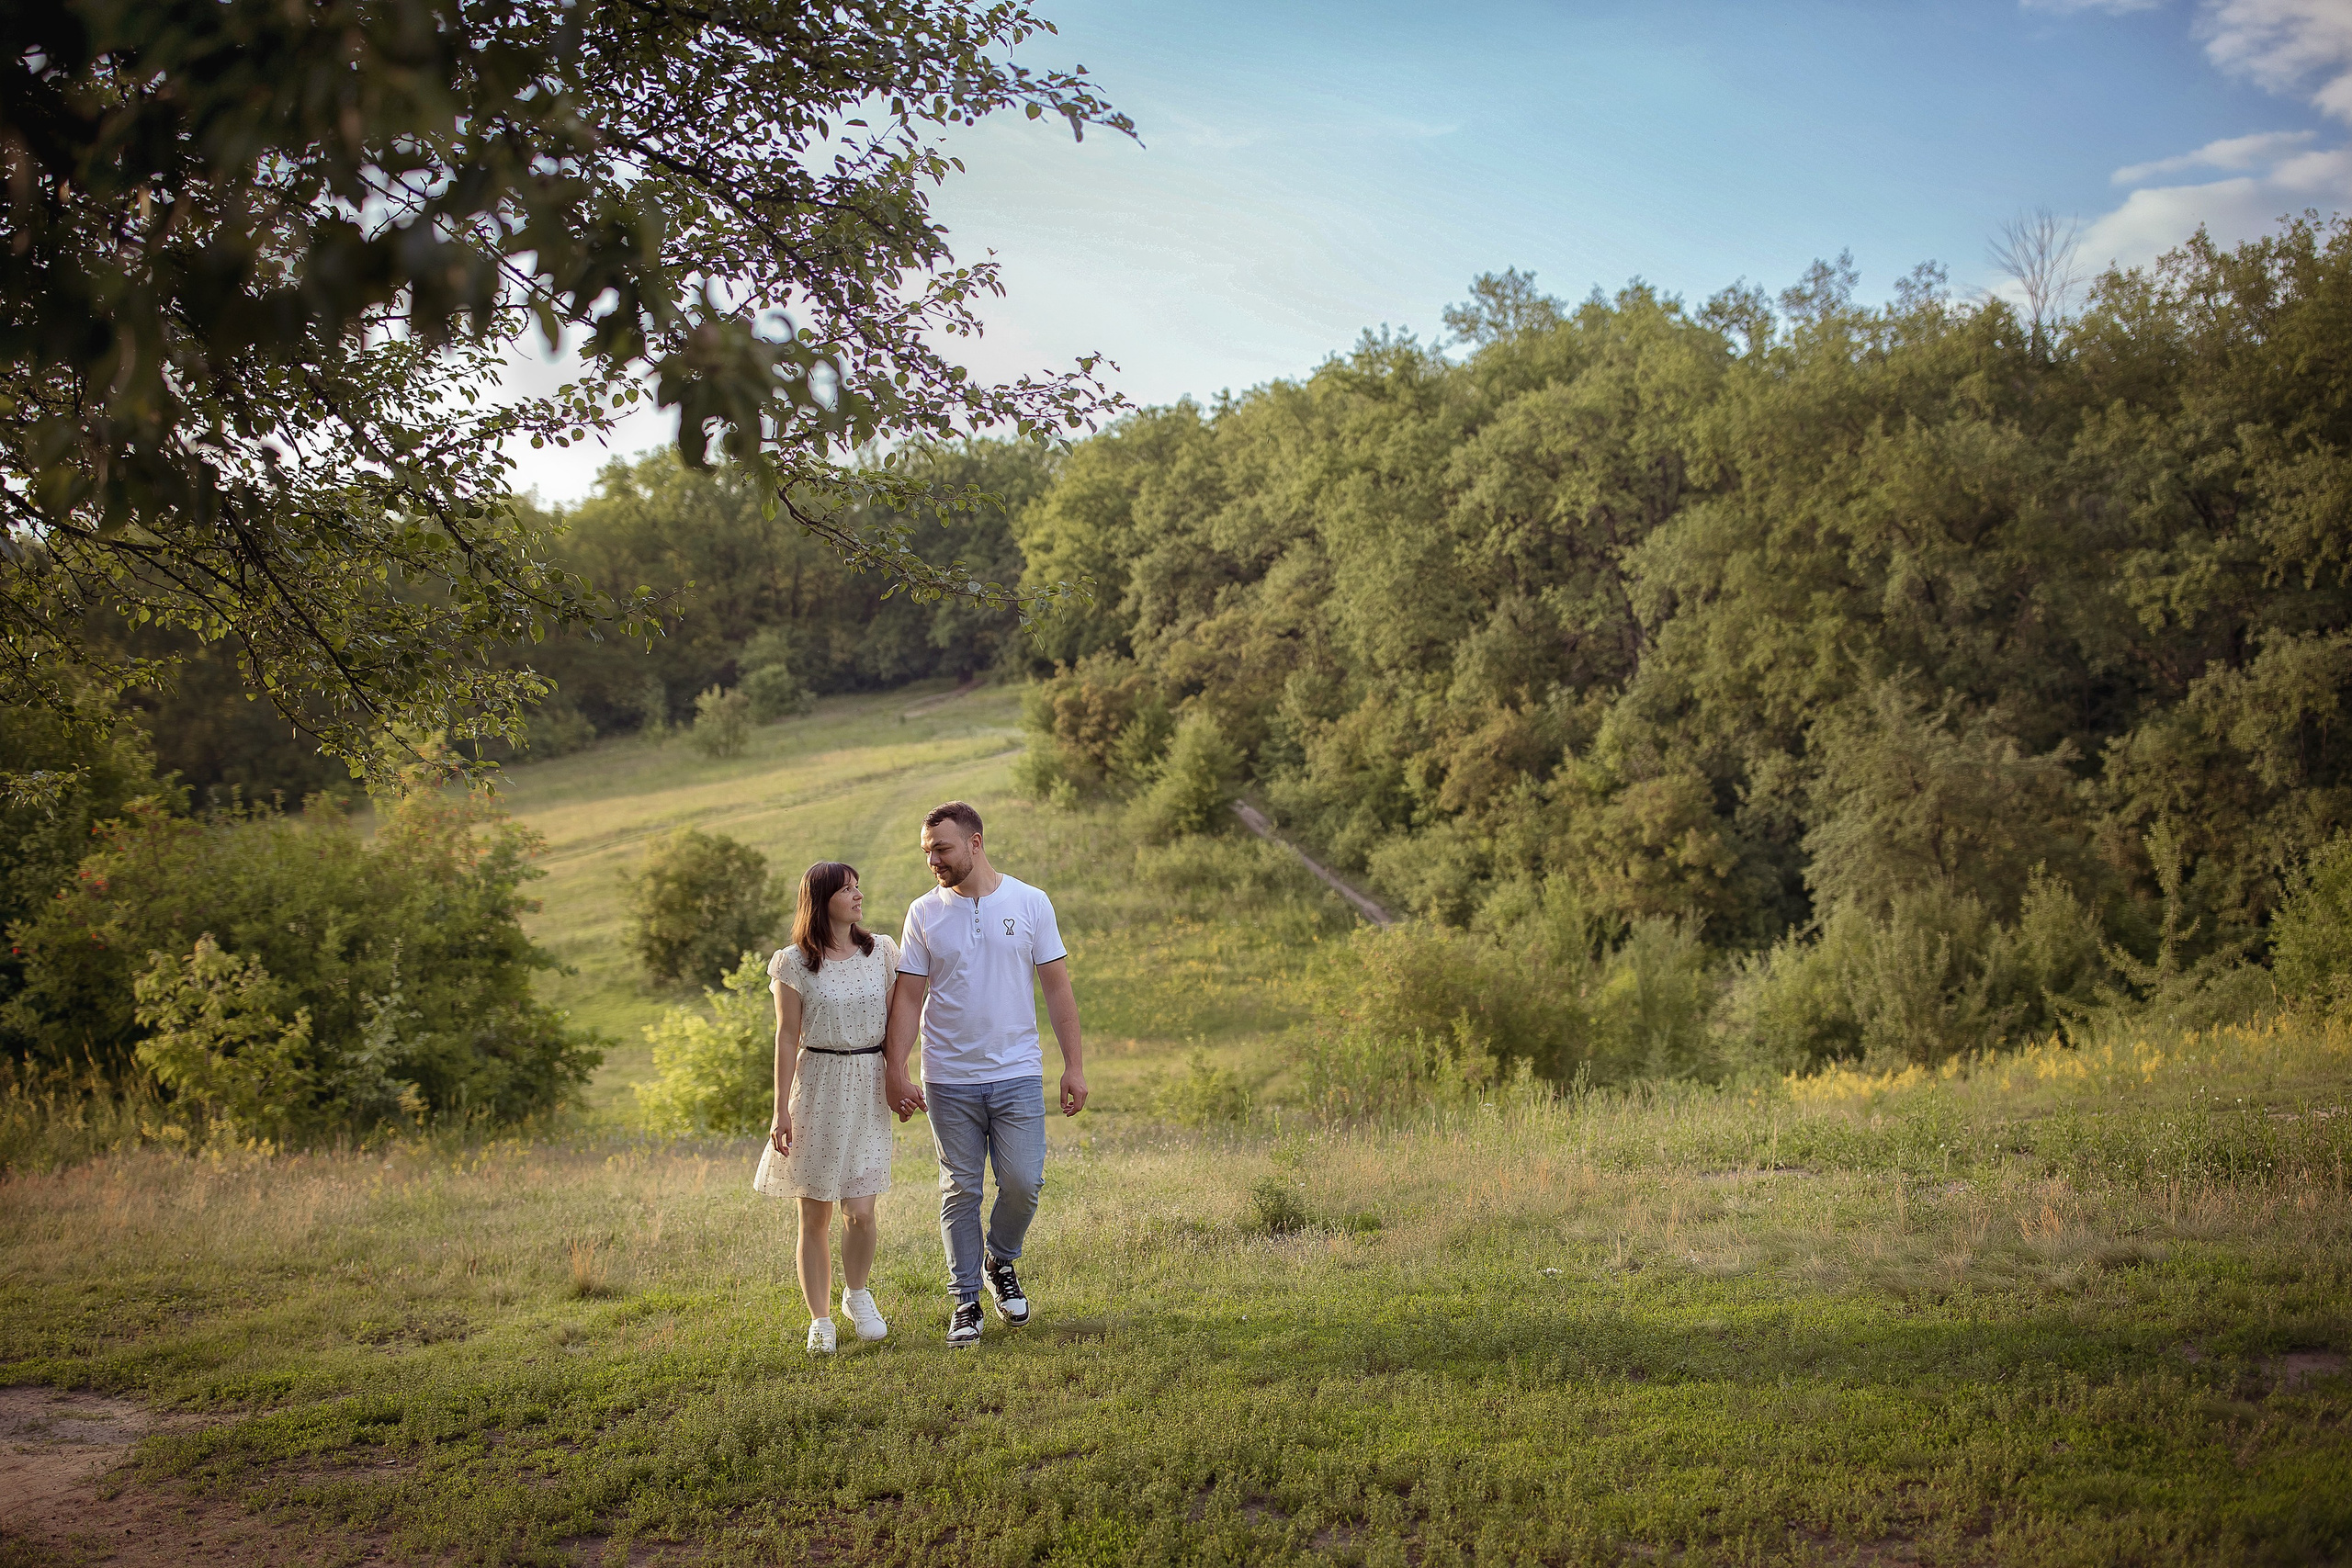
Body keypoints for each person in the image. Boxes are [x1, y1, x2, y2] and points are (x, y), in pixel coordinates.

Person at [884, 800, 1088, 1347]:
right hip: (947, 1077)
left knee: (1024, 1181)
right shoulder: (923, 912)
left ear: (975, 842)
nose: (934, 861)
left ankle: (1001, 1259)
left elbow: (1057, 987)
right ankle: (966, 1300)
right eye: (927, 852)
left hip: (1018, 1071)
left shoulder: (1030, 902)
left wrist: (1074, 1065)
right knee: (961, 1188)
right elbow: (907, 997)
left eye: (943, 849)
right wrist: (896, 1067)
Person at [754, 861, 899, 1354]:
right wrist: (780, 1110)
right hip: (817, 1087)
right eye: (846, 890)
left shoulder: (881, 952)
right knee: (814, 1213)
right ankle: (820, 1320)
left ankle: (857, 1295)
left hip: (868, 1085)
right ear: (820, 900)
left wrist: (901, 1076)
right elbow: (786, 1035)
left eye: (859, 886)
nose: (858, 895)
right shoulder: (792, 962)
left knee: (860, 1210)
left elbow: (902, 1023)